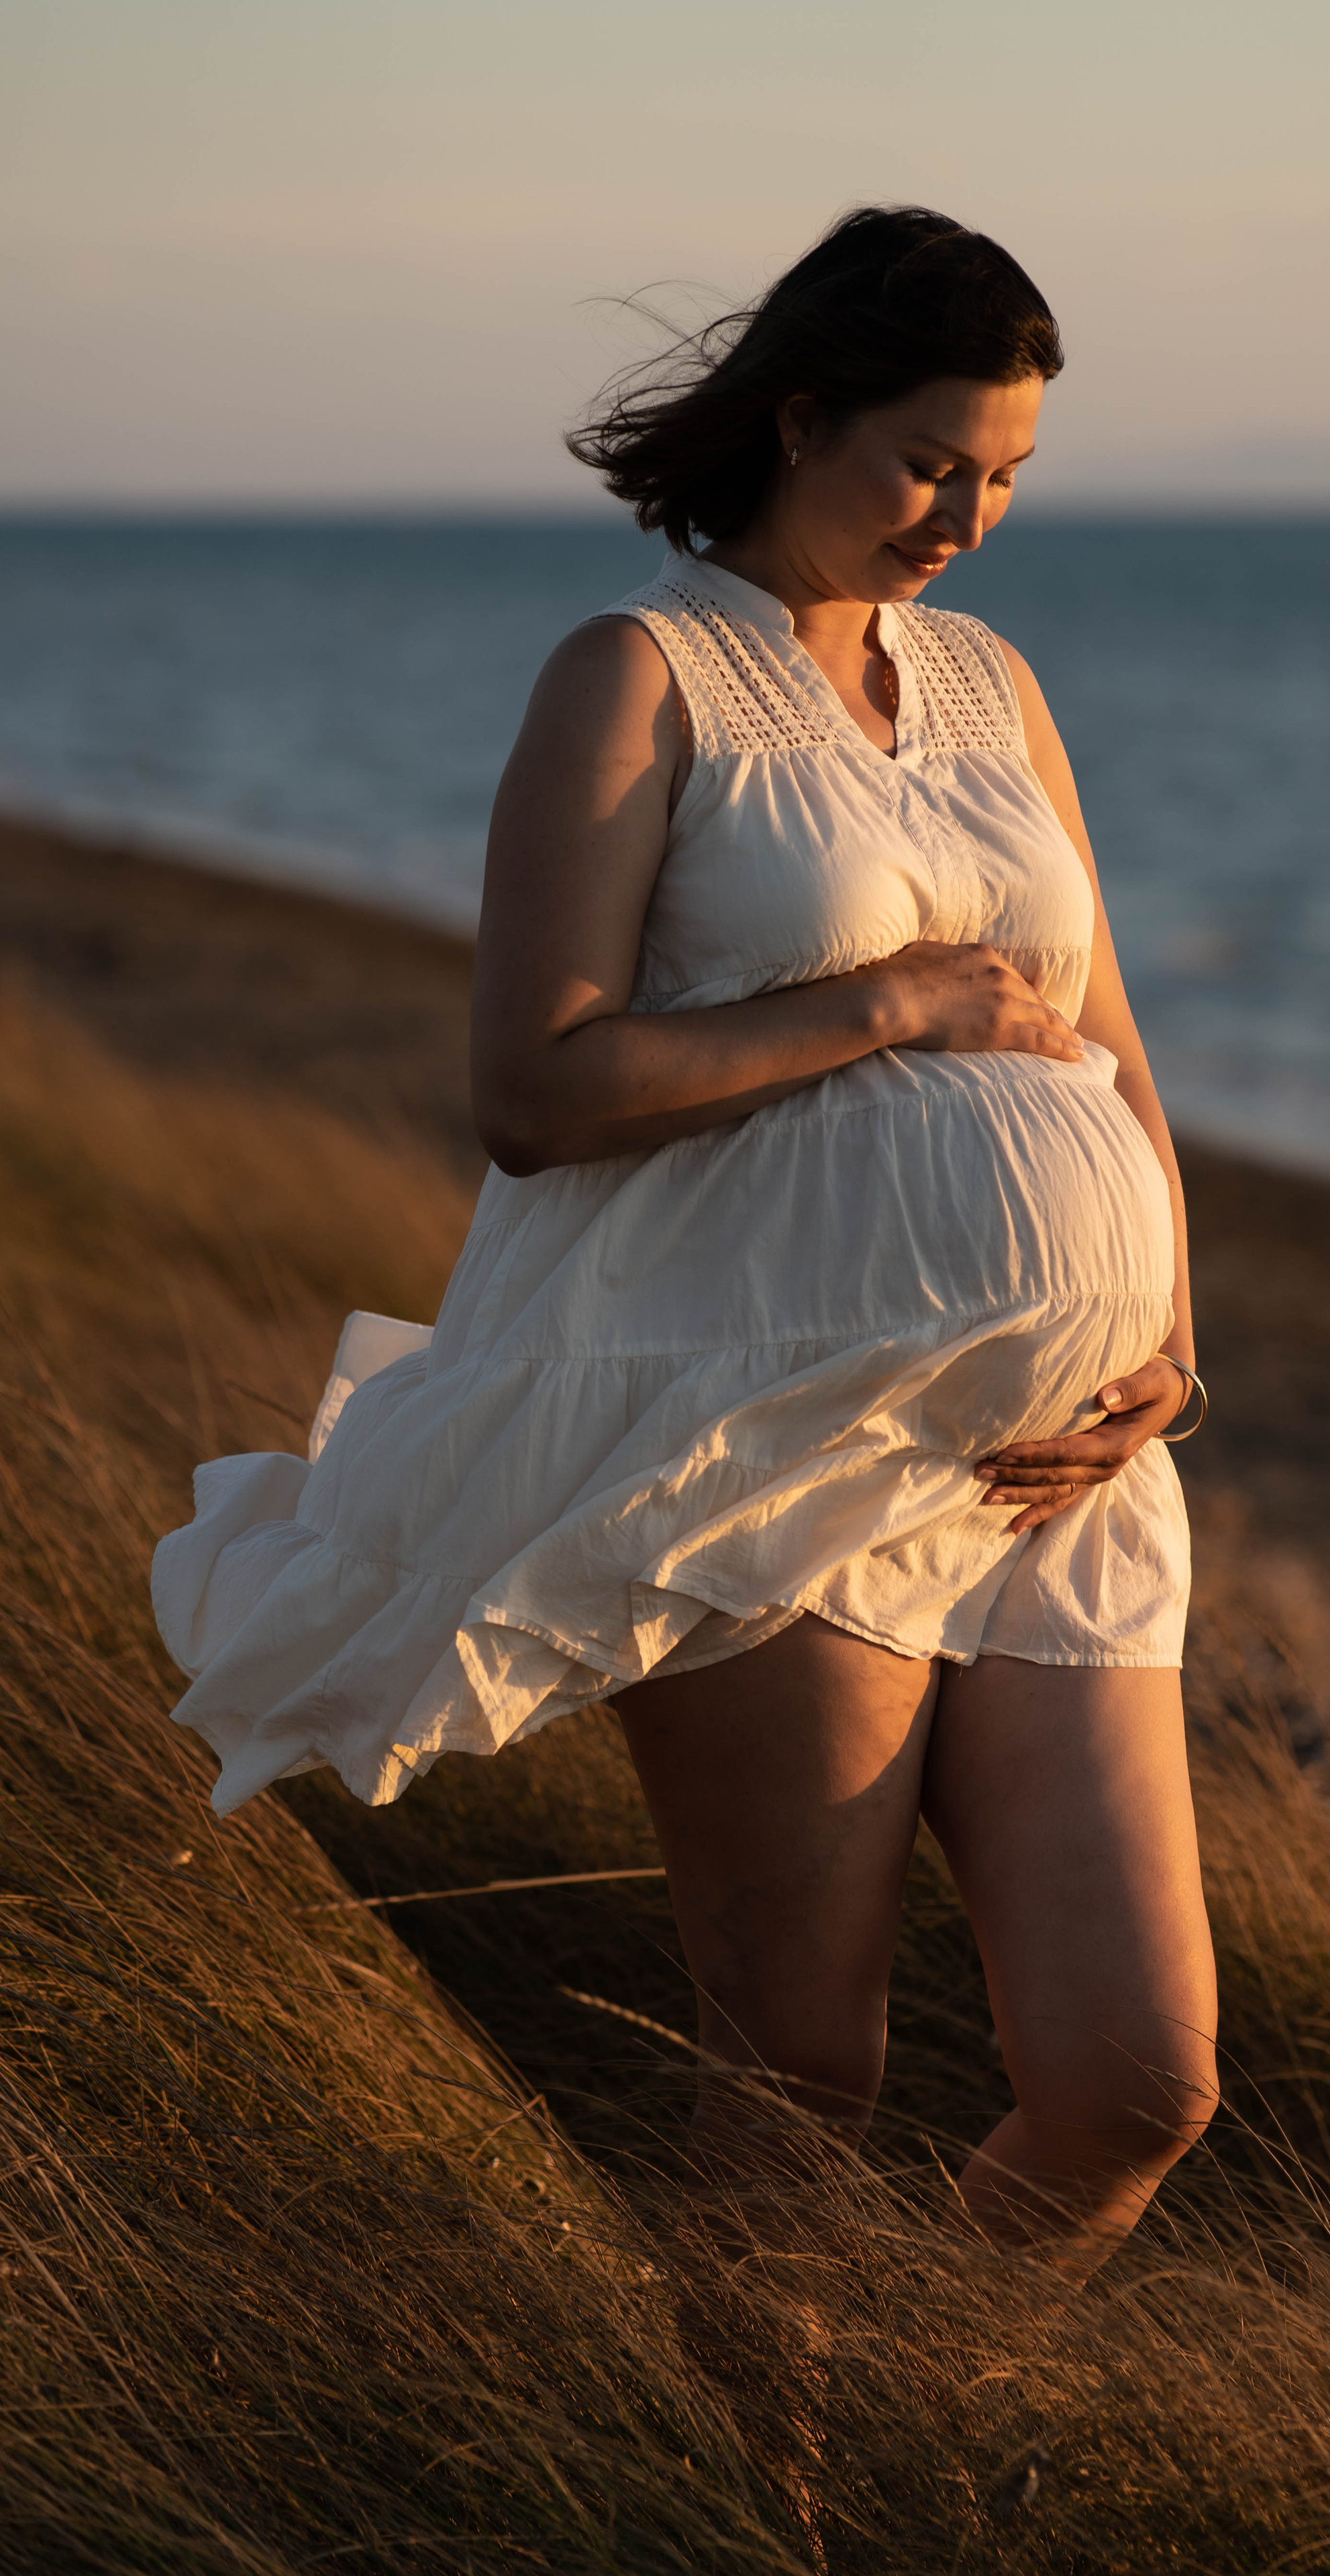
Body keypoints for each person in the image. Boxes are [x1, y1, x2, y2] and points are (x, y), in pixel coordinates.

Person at [153, 205, 1217, 2277]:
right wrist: (892, 1004)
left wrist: (1175, 1326)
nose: (971, 519)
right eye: (929, 461)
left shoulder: (993, 687)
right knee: (801, 2080)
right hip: (765, 1444)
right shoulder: (637, 677)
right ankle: (776, 2512)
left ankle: (921, 2433)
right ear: (800, 414)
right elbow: (536, 1092)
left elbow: (1106, 1039)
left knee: (1136, 2081)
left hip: (1058, 1471)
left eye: (1006, 476)